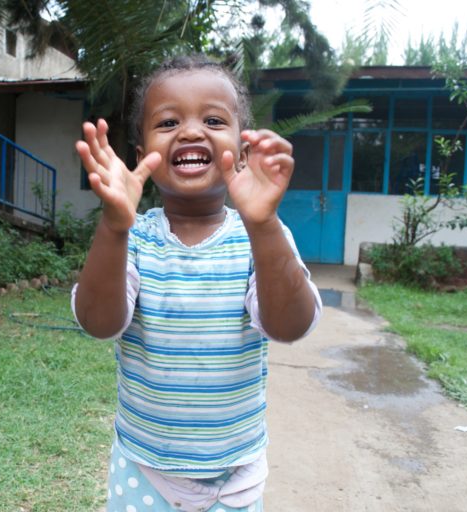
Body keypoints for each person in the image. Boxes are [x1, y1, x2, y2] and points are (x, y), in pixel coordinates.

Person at [71, 54, 322, 512]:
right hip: (144, 470)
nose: (189, 131)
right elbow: (98, 323)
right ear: (140, 151)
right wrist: (113, 227)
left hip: (235, 476)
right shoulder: (133, 238)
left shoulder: (260, 238)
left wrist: (263, 224)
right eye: (167, 122)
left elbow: (291, 327)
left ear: (243, 152)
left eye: (212, 119)